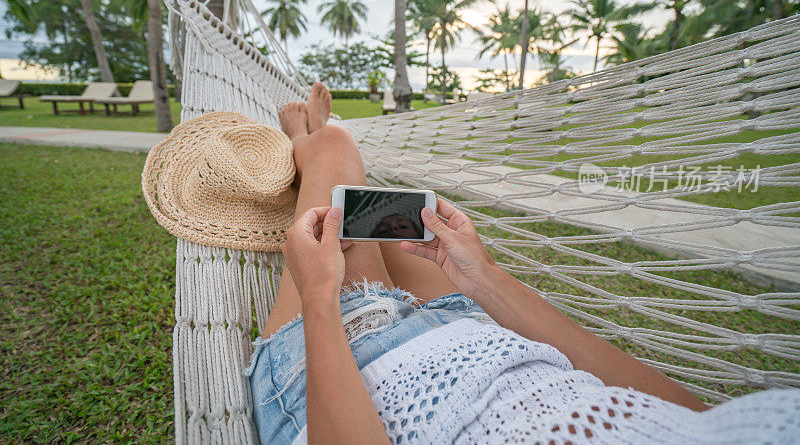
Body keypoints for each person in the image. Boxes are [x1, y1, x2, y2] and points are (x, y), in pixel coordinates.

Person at [245, 83, 799, 445]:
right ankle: (320, 148)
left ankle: (308, 140)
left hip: (351, 372)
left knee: (342, 170)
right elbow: (689, 417)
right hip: (472, 326)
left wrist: (318, 296)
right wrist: (483, 275)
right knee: (380, 211)